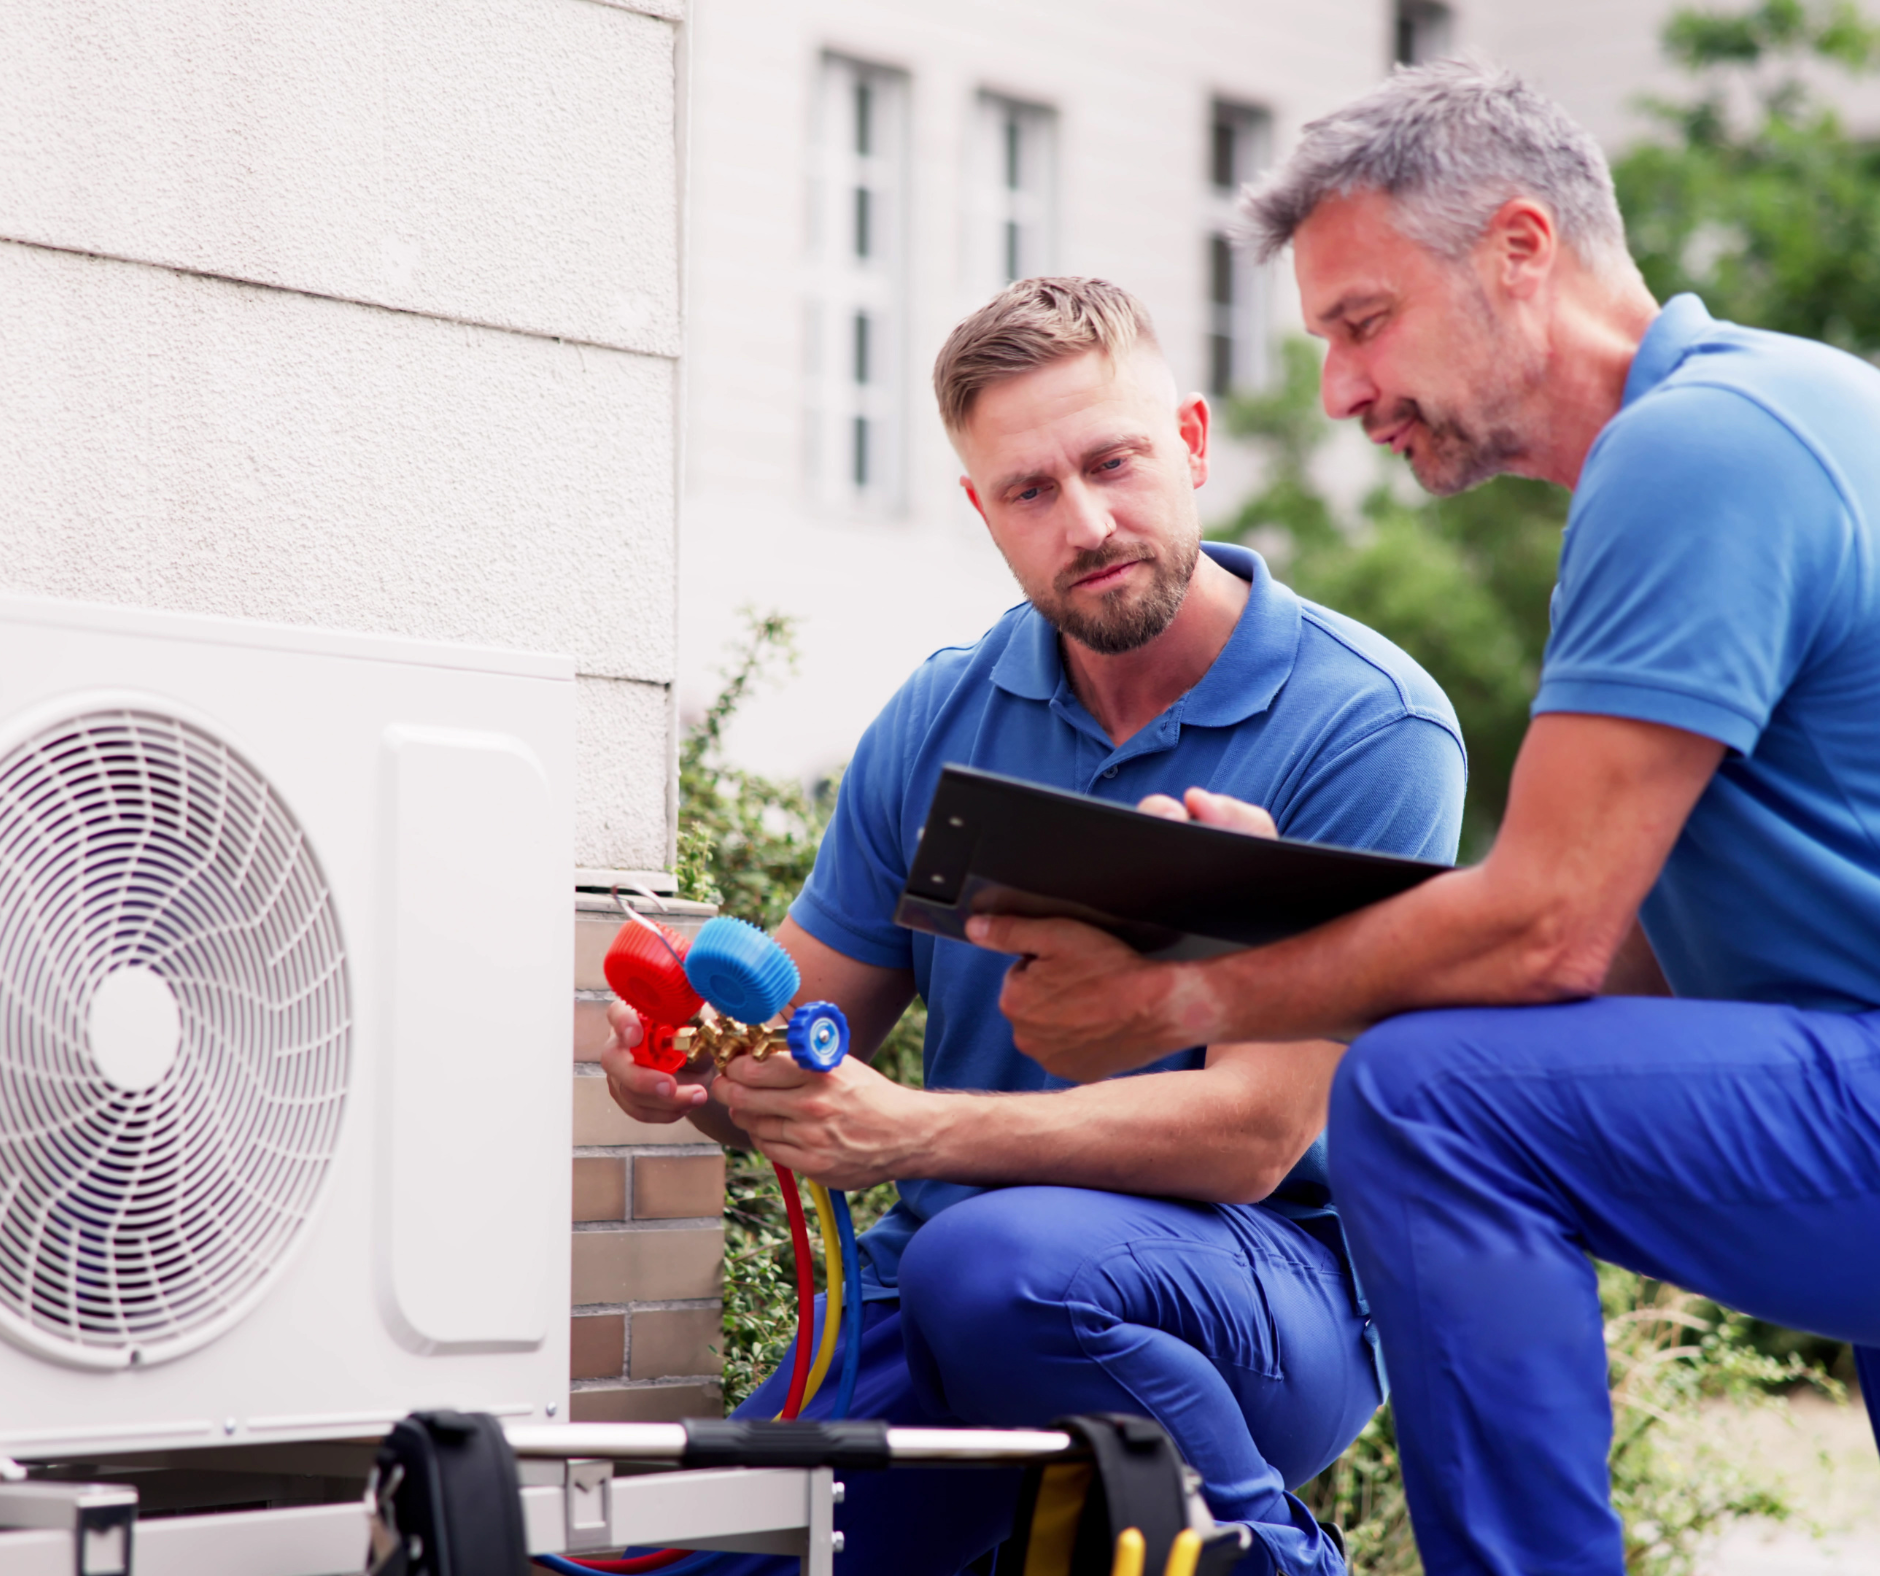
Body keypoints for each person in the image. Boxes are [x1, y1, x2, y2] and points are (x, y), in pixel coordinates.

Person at [970, 62, 1880, 1576]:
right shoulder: (1800, 408)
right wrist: (1300, 919)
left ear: (1522, 250)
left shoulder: (1697, 450)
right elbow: (1621, 963)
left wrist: (1177, 997)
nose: (1339, 391)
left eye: (1362, 322)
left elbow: (1546, 934)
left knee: (1428, 1100)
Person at [604, 277, 1466, 1576]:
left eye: (1113, 463)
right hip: (940, 1283)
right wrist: (702, 1073)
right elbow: (793, 1047)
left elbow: (1254, 1135)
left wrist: (917, 1131)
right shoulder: (940, 719)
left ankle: (1277, 1562)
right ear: (980, 511)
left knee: (995, 1260)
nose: (1088, 521)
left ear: (1190, 440)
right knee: (695, 1557)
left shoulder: (1366, 727)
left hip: (1274, 1288)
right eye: (1029, 491)